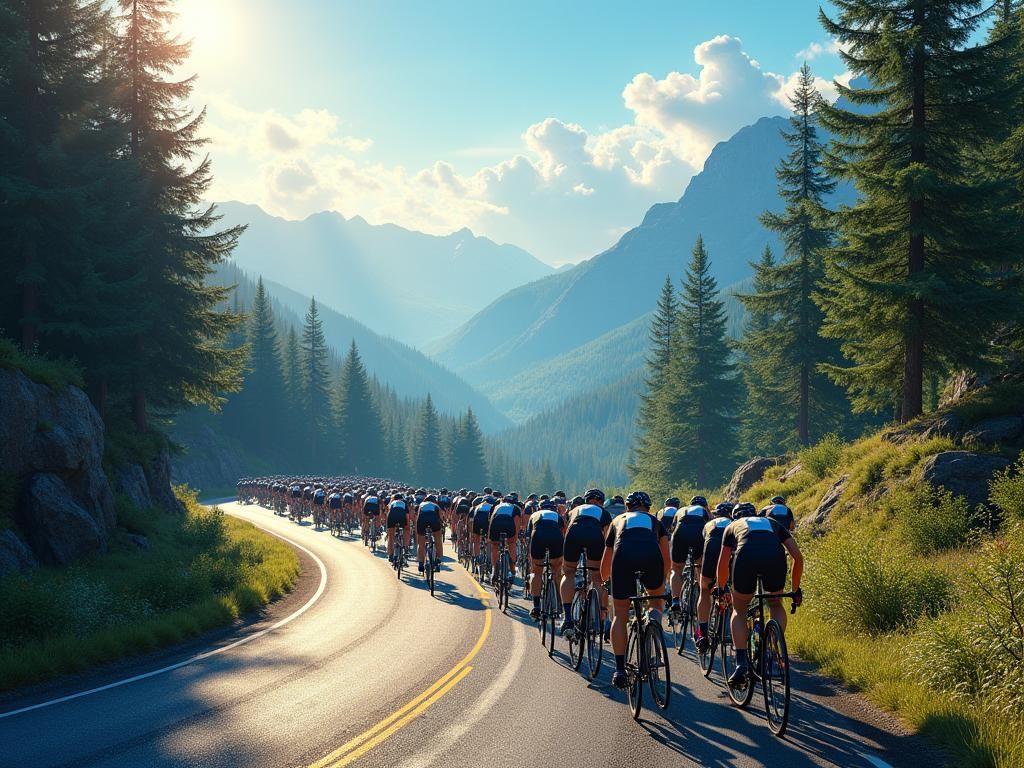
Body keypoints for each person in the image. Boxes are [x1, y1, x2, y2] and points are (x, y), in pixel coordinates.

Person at [716, 503, 803, 686]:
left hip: (745, 556)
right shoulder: (772, 523)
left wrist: (721, 588)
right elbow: (797, 556)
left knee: (739, 609)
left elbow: (723, 562)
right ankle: (771, 649)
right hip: (774, 556)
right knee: (775, 604)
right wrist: (795, 590)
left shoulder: (732, 526)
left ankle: (741, 663)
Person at [599, 491, 670, 690]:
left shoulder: (618, 521)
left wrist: (605, 580)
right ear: (648, 508)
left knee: (620, 614)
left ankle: (619, 670)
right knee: (655, 603)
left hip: (623, 558)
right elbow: (666, 558)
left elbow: (606, 559)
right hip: (651, 559)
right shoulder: (656, 522)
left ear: (627, 507)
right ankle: (653, 628)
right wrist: (661, 582)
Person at [560, 488, 610, 635]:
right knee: (597, 577)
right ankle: (597, 618)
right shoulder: (604, 513)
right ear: (601, 502)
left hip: (574, 534)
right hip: (595, 537)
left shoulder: (575, 510)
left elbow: (566, 530)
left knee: (568, 573)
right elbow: (608, 539)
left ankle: (568, 618)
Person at [694, 501, 735, 652]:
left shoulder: (709, 524)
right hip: (730, 550)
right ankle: (731, 628)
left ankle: (702, 634)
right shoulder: (734, 523)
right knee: (735, 589)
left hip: (711, 547)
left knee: (705, 591)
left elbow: (702, 547)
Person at [669, 495, 710, 641]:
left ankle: (675, 600)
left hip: (681, 530)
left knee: (676, 569)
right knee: (700, 566)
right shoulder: (704, 511)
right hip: (699, 531)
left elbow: (672, 529)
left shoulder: (681, 510)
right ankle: (701, 591)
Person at [526, 499, 565, 620]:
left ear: (539, 508)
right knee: (557, 571)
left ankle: (536, 606)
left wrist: (530, 557)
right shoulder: (557, 516)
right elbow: (563, 533)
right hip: (555, 537)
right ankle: (560, 603)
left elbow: (528, 537)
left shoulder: (534, 515)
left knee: (537, 572)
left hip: (538, 536)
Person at [487, 495, 520, 583]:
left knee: (495, 546)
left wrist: (489, 537)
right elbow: (516, 525)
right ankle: (512, 570)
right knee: (512, 545)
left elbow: (491, 520)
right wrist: (514, 539)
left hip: (496, 524)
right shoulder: (515, 508)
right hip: (509, 525)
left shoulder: (497, 506)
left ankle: (495, 570)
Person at [416, 494, 444, 573]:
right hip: (433, 519)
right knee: (438, 538)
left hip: (422, 519)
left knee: (421, 541)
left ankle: (421, 563)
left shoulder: (421, 504)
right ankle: (438, 558)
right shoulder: (436, 505)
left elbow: (418, 515)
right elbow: (440, 517)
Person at [385, 493, 409, 563]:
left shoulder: (391, 503)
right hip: (402, 517)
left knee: (391, 536)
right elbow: (407, 515)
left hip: (392, 517)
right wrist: (407, 526)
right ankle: (406, 547)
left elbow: (388, 513)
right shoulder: (404, 503)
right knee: (406, 530)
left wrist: (388, 526)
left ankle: (390, 554)